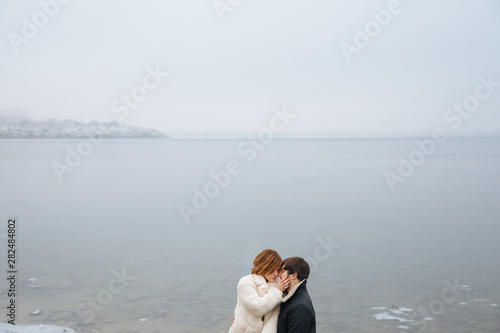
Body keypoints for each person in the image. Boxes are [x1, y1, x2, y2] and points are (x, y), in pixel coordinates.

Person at [229, 249, 290, 333]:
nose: (276, 274)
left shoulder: (277, 286)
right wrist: (277, 291)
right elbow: (257, 308)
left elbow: (274, 318)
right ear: (264, 266)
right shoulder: (246, 282)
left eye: (278, 270)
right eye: (273, 269)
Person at [277, 257, 316, 333]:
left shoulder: (299, 307)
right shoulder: (291, 298)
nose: (279, 275)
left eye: (283, 271)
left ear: (294, 275)